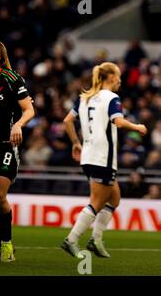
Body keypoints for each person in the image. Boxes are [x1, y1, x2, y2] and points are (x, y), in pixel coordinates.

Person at [62, 62, 147, 259]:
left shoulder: (85, 98)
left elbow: (67, 120)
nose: (120, 80)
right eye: (118, 76)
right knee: (98, 201)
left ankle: (96, 240)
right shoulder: (112, 98)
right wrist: (137, 127)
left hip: (87, 156)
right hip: (103, 157)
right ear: (110, 78)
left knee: (114, 197)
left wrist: (76, 142)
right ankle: (71, 240)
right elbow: (118, 121)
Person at [0, 39, 34, 262]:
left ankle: (7, 245)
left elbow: (29, 109)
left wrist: (18, 125)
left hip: (6, 144)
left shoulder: (12, 79)